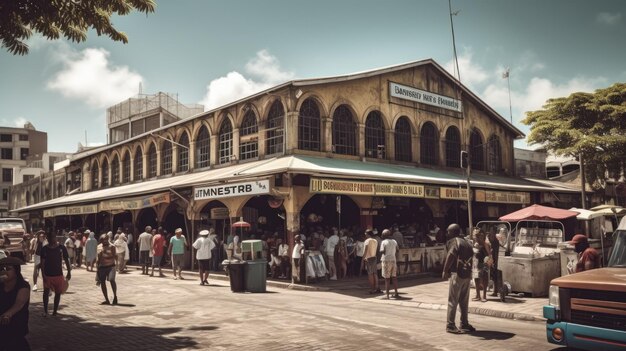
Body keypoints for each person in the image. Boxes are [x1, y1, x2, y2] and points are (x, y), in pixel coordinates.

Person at [442, 223, 475, 334]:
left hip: (457, 274)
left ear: (453, 232)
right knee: (464, 301)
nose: (447, 233)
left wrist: (445, 270)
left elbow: (451, 255)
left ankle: (450, 325)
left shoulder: (454, 241)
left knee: (453, 300)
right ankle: (464, 323)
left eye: (448, 231)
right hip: (467, 274)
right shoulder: (467, 242)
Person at [0, 257, 31, 351]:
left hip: (16, 322)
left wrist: (8, 314)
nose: (4, 271)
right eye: (2, 269)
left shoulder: (23, 285)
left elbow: (19, 304)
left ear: (16, 271)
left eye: (8, 269)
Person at [40, 231, 71, 317]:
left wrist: (69, 271)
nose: (52, 239)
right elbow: (42, 263)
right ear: (47, 239)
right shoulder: (44, 249)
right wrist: (43, 275)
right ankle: (45, 311)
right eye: (50, 238)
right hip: (48, 275)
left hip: (58, 275)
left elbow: (66, 259)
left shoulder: (61, 248)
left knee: (58, 293)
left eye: (53, 237)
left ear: (56, 237)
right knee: (46, 293)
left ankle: (54, 311)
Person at [471, 228, 492, 302]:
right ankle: (478, 295)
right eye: (475, 236)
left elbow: (489, 254)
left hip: (484, 263)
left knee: (484, 279)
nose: (476, 238)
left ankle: (484, 296)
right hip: (476, 263)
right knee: (476, 279)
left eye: (478, 236)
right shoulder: (475, 244)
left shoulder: (485, 244)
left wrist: (488, 263)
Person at [96, 234, 118, 305]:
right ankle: (107, 300)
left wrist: (116, 265)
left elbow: (115, 256)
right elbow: (98, 259)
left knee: (112, 280)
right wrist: (97, 268)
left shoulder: (112, 246)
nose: (103, 242)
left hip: (111, 266)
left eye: (105, 240)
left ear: (107, 239)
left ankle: (115, 296)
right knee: (102, 282)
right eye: (102, 240)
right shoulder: (99, 247)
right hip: (102, 267)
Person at [380, 229, 399, 299]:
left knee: (387, 279)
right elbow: (398, 250)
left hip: (386, 261)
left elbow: (382, 251)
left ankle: (387, 295)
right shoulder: (394, 241)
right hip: (393, 260)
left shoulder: (383, 242)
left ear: (384, 235)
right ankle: (396, 293)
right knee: (394, 277)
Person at [362, 229, 381, 294]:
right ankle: (377, 287)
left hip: (368, 258)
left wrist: (363, 259)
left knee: (370, 274)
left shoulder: (367, 241)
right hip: (374, 257)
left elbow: (365, 251)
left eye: (365, 234)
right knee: (375, 274)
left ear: (367, 234)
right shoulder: (375, 240)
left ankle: (372, 289)